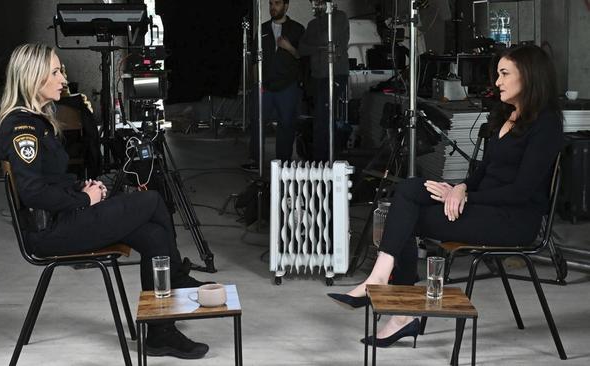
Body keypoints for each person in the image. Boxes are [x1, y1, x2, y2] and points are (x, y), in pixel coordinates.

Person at [328, 45, 564, 347]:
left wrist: (467, 198)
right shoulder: (506, 115)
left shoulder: (546, 126)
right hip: (483, 207)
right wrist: (461, 187)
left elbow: (521, 191)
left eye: (505, 74)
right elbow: (481, 174)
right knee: (409, 189)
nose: (497, 82)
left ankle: (396, 306)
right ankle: (384, 285)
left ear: (529, 78)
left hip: (513, 220)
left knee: (405, 217)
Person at [0, 43, 210, 359]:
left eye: (61, 71)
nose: (63, 78)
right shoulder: (21, 126)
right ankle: (175, 275)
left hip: (66, 217)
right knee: (151, 201)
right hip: (49, 233)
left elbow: (50, 181)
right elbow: (32, 192)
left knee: (154, 237)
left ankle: (160, 333)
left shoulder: (39, 120)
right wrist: (84, 198)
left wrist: (82, 187)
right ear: (33, 77)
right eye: (55, 71)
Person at [242, 0, 305, 171]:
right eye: (271, 4)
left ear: (286, 6)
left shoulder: (297, 29)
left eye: (277, 3)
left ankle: (283, 163)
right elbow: (255, 60)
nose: (273, 7)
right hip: (265, 87)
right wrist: (257, 84)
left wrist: (289, 47)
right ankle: (256, 161)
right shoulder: (262, 29)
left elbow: (303, 57)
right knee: (258, 123)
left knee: (286, 124)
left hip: (287, 86)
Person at [298, 0, 350, 163]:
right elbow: (302, 48)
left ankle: (326, 160)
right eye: (313, 2)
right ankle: (321, 159)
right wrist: (321, 48)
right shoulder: (312, 23)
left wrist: (319, 44)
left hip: (336, 74)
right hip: (318, 76)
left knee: (324, 117)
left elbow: (329, 36)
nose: (314, 5)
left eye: (318, 2)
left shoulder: (340, 17)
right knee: (320, 118)